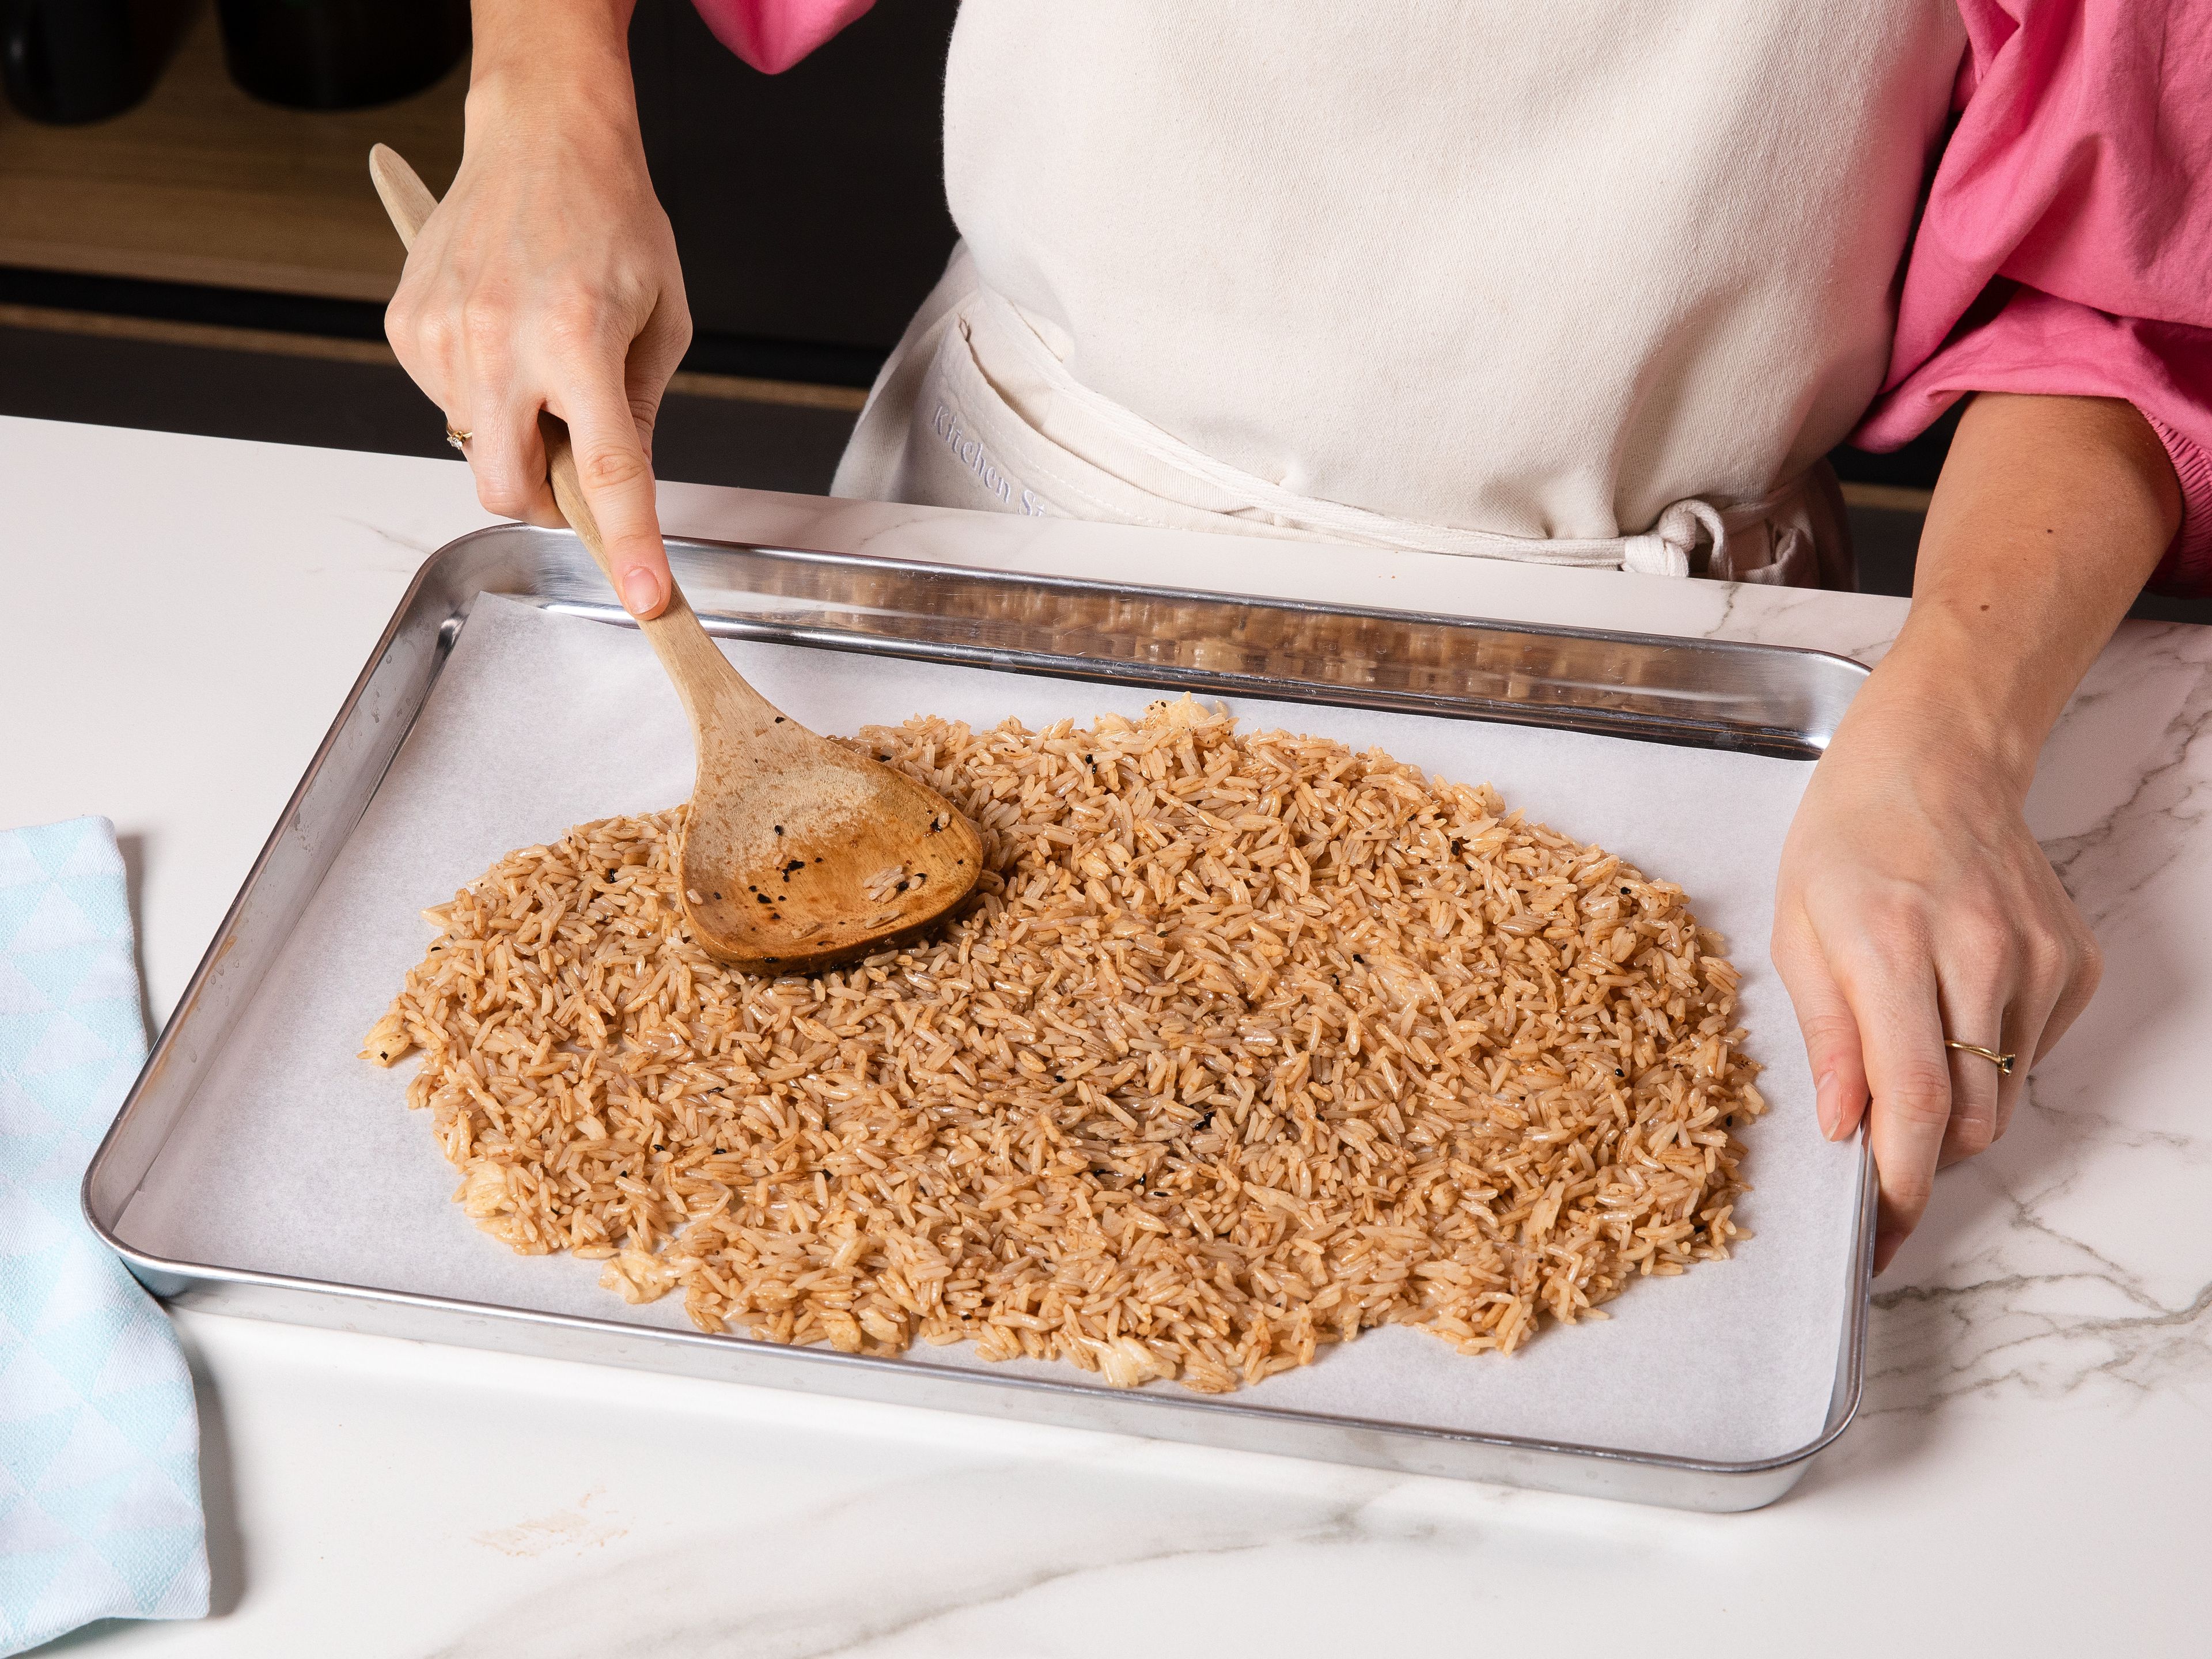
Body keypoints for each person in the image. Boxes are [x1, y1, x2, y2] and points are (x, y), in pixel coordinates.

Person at [385, 0, 2209, 1272]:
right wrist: (544, 102)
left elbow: (2121, 290)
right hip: (996, 538)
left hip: (1665, 671)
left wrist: (1955, 732)